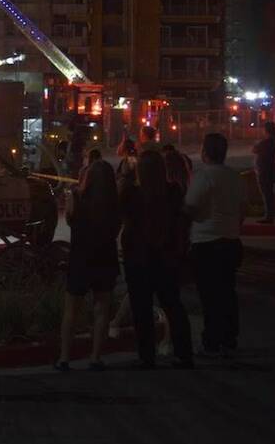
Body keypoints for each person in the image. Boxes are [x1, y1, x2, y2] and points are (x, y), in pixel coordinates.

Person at [120, 151, 194, 368]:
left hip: (138, 258)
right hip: (166, 257)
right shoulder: (172, 192)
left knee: (141, 309)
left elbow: (121, 214)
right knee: (172, 304)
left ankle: (146, 356)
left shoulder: (132, 193)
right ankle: (184, 352)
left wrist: (125, 176)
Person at [186, 133, 248, 358]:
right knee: (228, 293)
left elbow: (190, 207)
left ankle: (211, 340)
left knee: (209, 295)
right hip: (230, 242)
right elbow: (243, 209)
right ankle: (229, 338)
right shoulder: (235, 177)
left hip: (207, 243)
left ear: (205, 152)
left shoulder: (204, 177)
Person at [55, 159, 121, 371]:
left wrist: (73, 194)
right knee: (102, 308)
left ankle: (64, 358)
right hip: (106, 256)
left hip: (81, 256)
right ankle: (95, 357)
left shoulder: (76, 197)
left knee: (71, 310)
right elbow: (116, 228)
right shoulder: (114, 203)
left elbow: (70, 220)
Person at [253, 121, 275, 223]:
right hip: (272, 171)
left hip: (265, 172)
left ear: (266, 130)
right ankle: (270, 214)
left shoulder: (264, 143)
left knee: (267, 194)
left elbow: (254, 150)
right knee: (271, 194)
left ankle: (269, 216)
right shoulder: (274, 142)